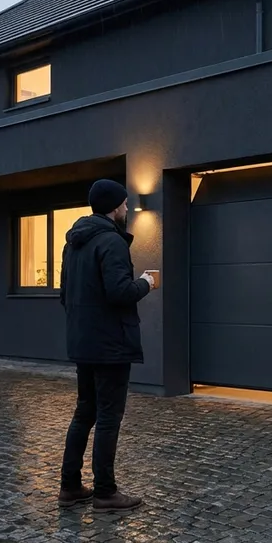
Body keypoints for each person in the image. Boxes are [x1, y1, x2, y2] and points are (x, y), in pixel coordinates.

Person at [57, 179, 158, 512]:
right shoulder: (112, 242)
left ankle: (70, 487)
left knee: (84, 412)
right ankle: (105, 492)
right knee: (108, 417)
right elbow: (120, 293)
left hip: (83, 343)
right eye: (125, 205)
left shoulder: (73, 244)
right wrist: (145, 283)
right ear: (114, 207)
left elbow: (64, 296)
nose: (128, 209)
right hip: (111, 344)